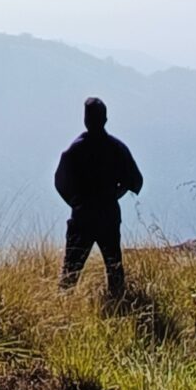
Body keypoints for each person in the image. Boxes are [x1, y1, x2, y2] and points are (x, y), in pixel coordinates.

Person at [55, 96, 143, 296]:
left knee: (70, 273)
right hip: (108, 216)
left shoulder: (75, 150)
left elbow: (60, 183)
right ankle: (118, 308)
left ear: (86, 119)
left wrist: (76, 203)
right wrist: (114, 195)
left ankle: (62, 312)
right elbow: (135, 181)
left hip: (82, 217)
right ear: (105, 119)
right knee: (114, 270)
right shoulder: (117, 149)